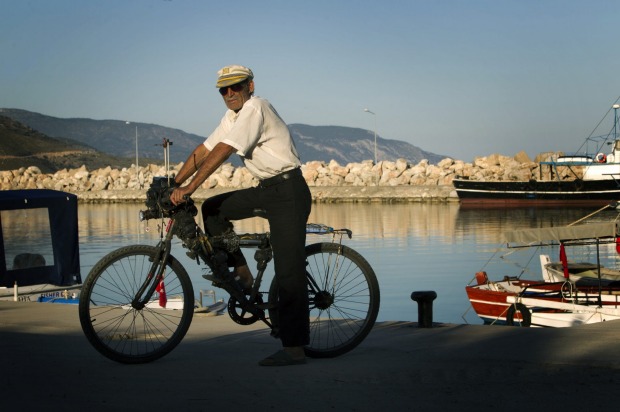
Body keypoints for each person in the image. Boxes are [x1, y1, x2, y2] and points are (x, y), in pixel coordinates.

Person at [170, 65, 312, 366]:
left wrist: (191, 187)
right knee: (212, 209)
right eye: (224, 89)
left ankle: (295, 349)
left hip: (289, 191)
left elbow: (223, 150)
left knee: (289, 273)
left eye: (236, 86)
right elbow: (204, 149)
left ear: (250, 85)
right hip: (266, 189)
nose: (230, 93)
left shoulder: (256, 107)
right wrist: (175, 183)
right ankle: (243, 274)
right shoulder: (232, 117)